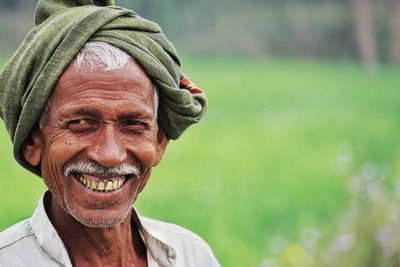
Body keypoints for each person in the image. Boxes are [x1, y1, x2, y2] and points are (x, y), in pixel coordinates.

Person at [0, 0, 219, 266]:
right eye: (80, 123)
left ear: (159, 141)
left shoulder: (191, 256)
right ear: (33, 143)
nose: (110, 155)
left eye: (134, 125)